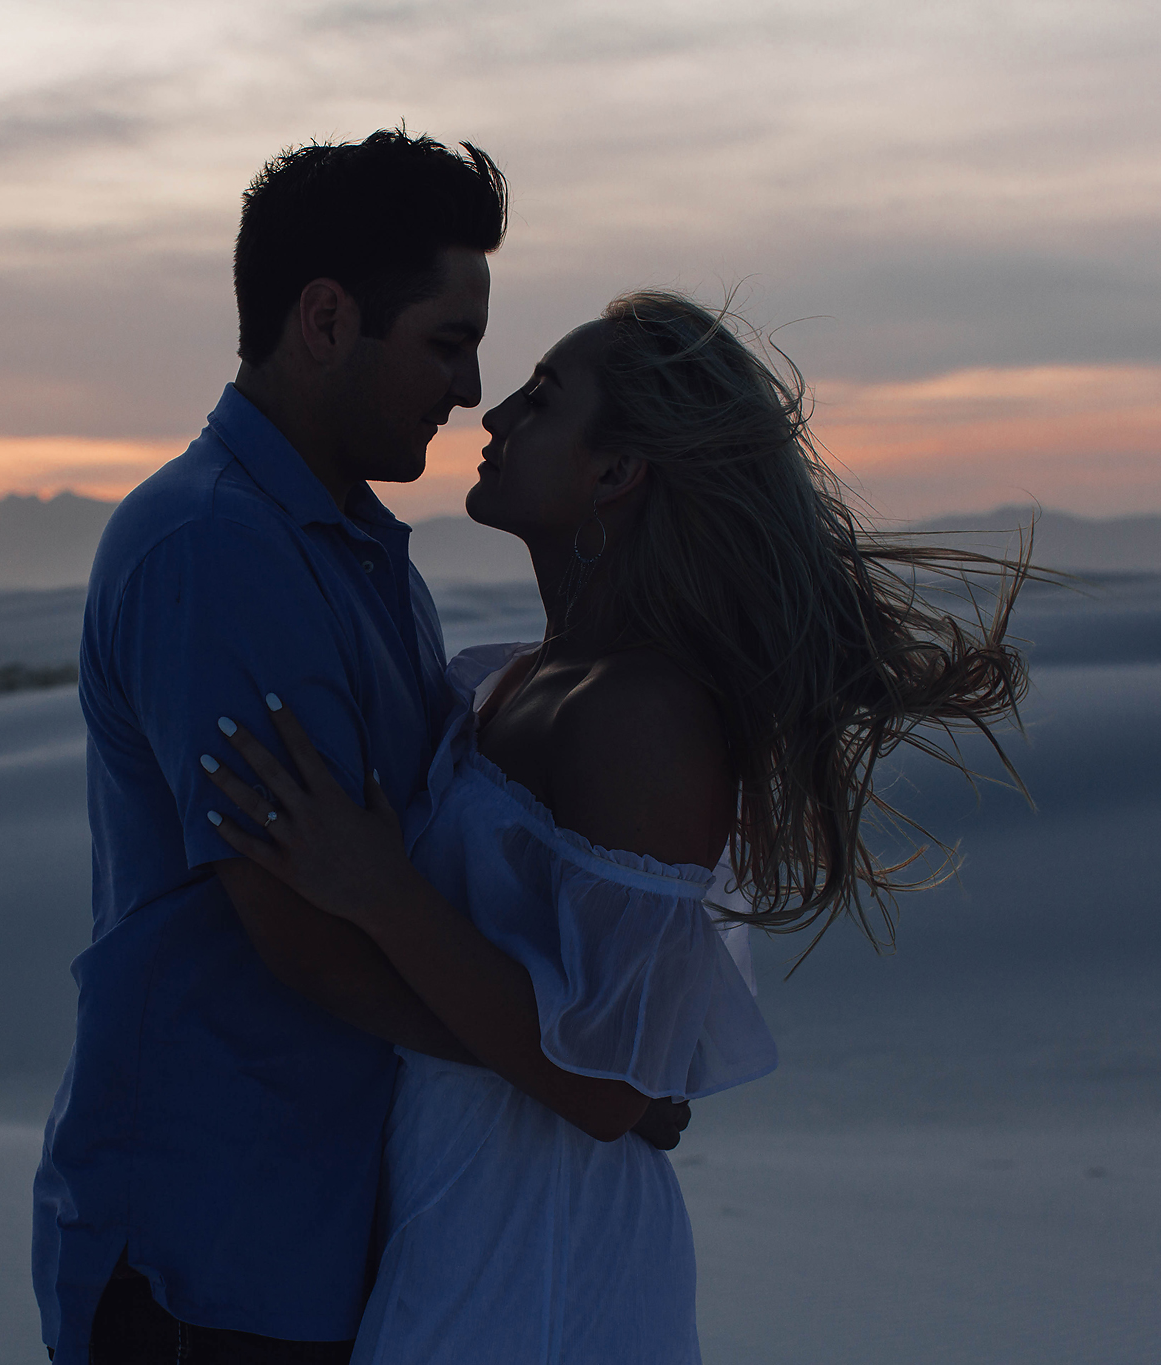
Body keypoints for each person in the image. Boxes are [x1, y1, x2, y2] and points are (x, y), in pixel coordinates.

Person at [200, 290, 1032, 1362]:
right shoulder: (517, 681)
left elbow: (603, 1090)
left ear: (614, 470)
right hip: (458, 1213)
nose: (492, 415)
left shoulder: (644, 718)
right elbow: (611, 1072)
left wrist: (382, 895)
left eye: (541, 402)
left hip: (542, 1252)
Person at [32, 129, 687, 1365]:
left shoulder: (357, 555)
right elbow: (308, 940)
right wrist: (584, 1080)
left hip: (327, 1242)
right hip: (213, 1249)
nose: (469, 387)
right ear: (326, 319)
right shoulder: (215, 549)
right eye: (446, 342)